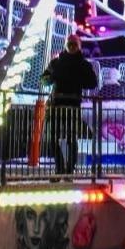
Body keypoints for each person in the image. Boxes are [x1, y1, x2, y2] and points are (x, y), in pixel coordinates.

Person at [40, 35, 97, 176]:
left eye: (74, 45)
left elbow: (92, 82)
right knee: (54, 138)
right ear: (66, 45)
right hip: (60, 105)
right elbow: (44, 79)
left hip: (70, 106)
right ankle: (61, 168)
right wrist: (52, 78)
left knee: (70, 139)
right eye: (70, 44)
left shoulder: (81, 65)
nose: (72, 47)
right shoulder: (58, 63)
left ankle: (68, 170)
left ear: (78, 46)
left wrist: (77, 79)